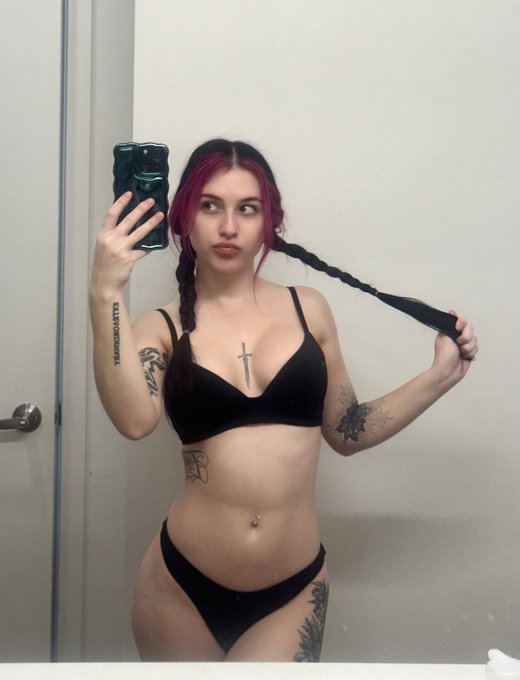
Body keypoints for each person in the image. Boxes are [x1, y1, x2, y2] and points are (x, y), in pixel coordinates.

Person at [89, 139, 478, 662]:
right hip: (179, 587)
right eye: (210, 205)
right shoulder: (159, 328)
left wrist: (439, 376)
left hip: (292, 592)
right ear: (183, 217)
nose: (229, 227)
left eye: (247, 209)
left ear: (269, 222)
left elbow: (347, 430)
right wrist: (106, 294)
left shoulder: (307, 309)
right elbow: (134, 420)